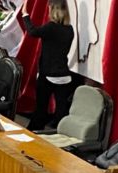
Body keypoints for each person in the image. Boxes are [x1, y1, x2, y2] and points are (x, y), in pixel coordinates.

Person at [23, 0, 74, 130]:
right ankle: (61, 134)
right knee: (61, 109)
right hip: (64, 75)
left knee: (41, 107)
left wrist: (25, 14)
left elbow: (32, 32)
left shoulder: (51, 28)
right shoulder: (69, 30)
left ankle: (34, 130)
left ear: (53, 10)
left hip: (48, 74)